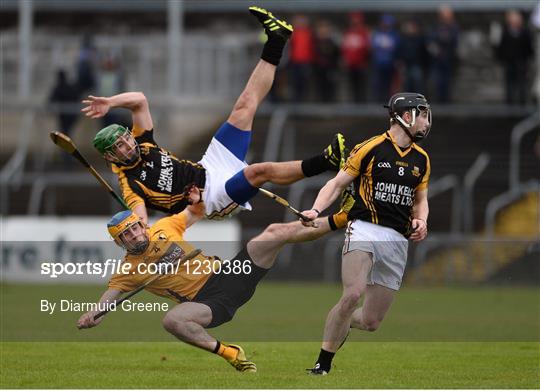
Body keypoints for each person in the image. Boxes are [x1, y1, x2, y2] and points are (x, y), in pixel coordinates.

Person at [82, 7, 347, 225]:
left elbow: (139, 100)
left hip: (209, 165)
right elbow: (140, 216)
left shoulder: (143, 142)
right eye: (119, 147)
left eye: (125, 139)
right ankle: (326, 161)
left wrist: (110, 102)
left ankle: (277, 39)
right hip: (210, 198)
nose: (127, 145)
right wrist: (137, 223)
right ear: (110, 157)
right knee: (258, 171)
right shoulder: (130, 184)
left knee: (244, 106)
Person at [75, 189, 345, 372]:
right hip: (207, 304)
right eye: (126, 235)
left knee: (274, 233)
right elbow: (112, 295)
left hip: (228, 276)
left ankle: (343, 217)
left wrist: (197, 199)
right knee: (171, 320)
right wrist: (94, 314)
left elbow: (196, 211)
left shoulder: (164, 227)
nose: (134, 235)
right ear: (119, 242)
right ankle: (230, 353)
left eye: (135, 228)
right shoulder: (128, 269)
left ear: (141, 225)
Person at [300, 92, 432, 375]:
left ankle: (338, 320)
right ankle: (323, 364)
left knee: (371, 321)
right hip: (364, 228)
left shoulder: (422, 159)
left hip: (397, 239)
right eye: (421, 114)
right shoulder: (370, 148)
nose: (425, 120)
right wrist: (315, 210)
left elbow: (421, 199)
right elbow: (336, 185)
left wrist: (421, 220)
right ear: (404, 115)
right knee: (352, 295)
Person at [496, 10, 534, 105]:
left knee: (522, 84)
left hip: (521, 62)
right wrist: (502, 58)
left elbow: (529, 47)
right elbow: (501, 47)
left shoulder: (525, 32)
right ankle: (509, 104)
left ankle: (522, 104)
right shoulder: (505, 32)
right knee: (509, 84)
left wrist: (527, 58)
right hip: (509, 62)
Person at [427, 5, 459, 103]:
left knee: (448, 84)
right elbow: (430, 41)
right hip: (437, 61)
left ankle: (447, 103)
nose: (446, 17)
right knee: (437, 83)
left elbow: (453, 40)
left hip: (449, 60)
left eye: (448, 15)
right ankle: (439, 103)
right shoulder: (435, 27)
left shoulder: (453, 27)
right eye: (444, 15)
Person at [341, 11, 371, 102]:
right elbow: (344, 48)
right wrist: (345, 59)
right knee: (351, 87)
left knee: (361, 87)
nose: (355, 22)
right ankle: (353, 106)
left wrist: (365, 61)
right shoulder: (347, 32)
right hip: (350, 65)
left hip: (361, 65)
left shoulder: (364, 33)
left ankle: (362, 106)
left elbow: (367, 48)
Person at [371, 14, 400, 102]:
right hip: (378, 64)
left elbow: (396, 48)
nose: (386, 25)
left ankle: (387, 101)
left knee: (389, 85)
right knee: (378, 84)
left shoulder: (394, 35)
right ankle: (378, 101)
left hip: (390, 64)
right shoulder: (377, 34)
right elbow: (373, 47)